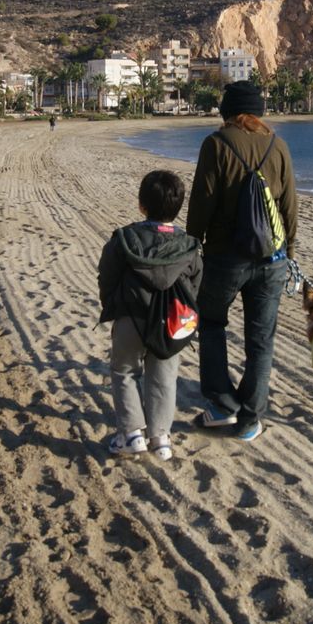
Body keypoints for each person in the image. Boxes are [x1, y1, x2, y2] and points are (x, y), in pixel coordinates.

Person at [185, 81, 298, 442]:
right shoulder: (278, 146)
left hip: (223, 257)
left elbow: (202, 202)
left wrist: (193, 246)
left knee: (213, 324)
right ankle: (251, 418)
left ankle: (221, 405)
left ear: (228, 111)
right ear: (259, 112)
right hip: (271, 260)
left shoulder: (216, 145)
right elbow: (289, 207)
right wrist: (289, 253)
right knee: (261, 340)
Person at [98, 170, 203, 460]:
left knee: (124, 371)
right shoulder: (189, 245)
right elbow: (195, 284)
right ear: (179, 206)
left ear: (142, 205)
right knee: (164, 377)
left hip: (131, 315)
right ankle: (160, 438)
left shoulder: (125, 239)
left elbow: (107, 275)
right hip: (171, 321)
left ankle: (132, 434)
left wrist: (113, 304)